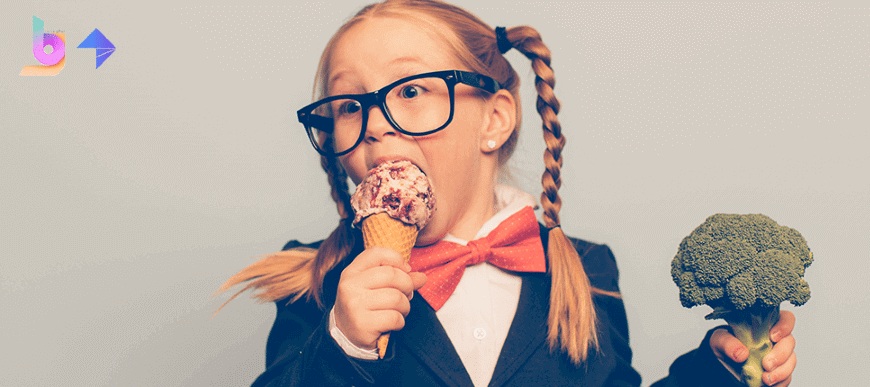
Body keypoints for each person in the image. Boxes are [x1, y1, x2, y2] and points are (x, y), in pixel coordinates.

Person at [217, 0, 798, 386]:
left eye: (412, 89)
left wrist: (716, 371)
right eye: (348, 105)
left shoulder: (585, 270)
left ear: (493, 121)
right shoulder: (317, 284)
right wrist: (343, 345)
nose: (374, 122)